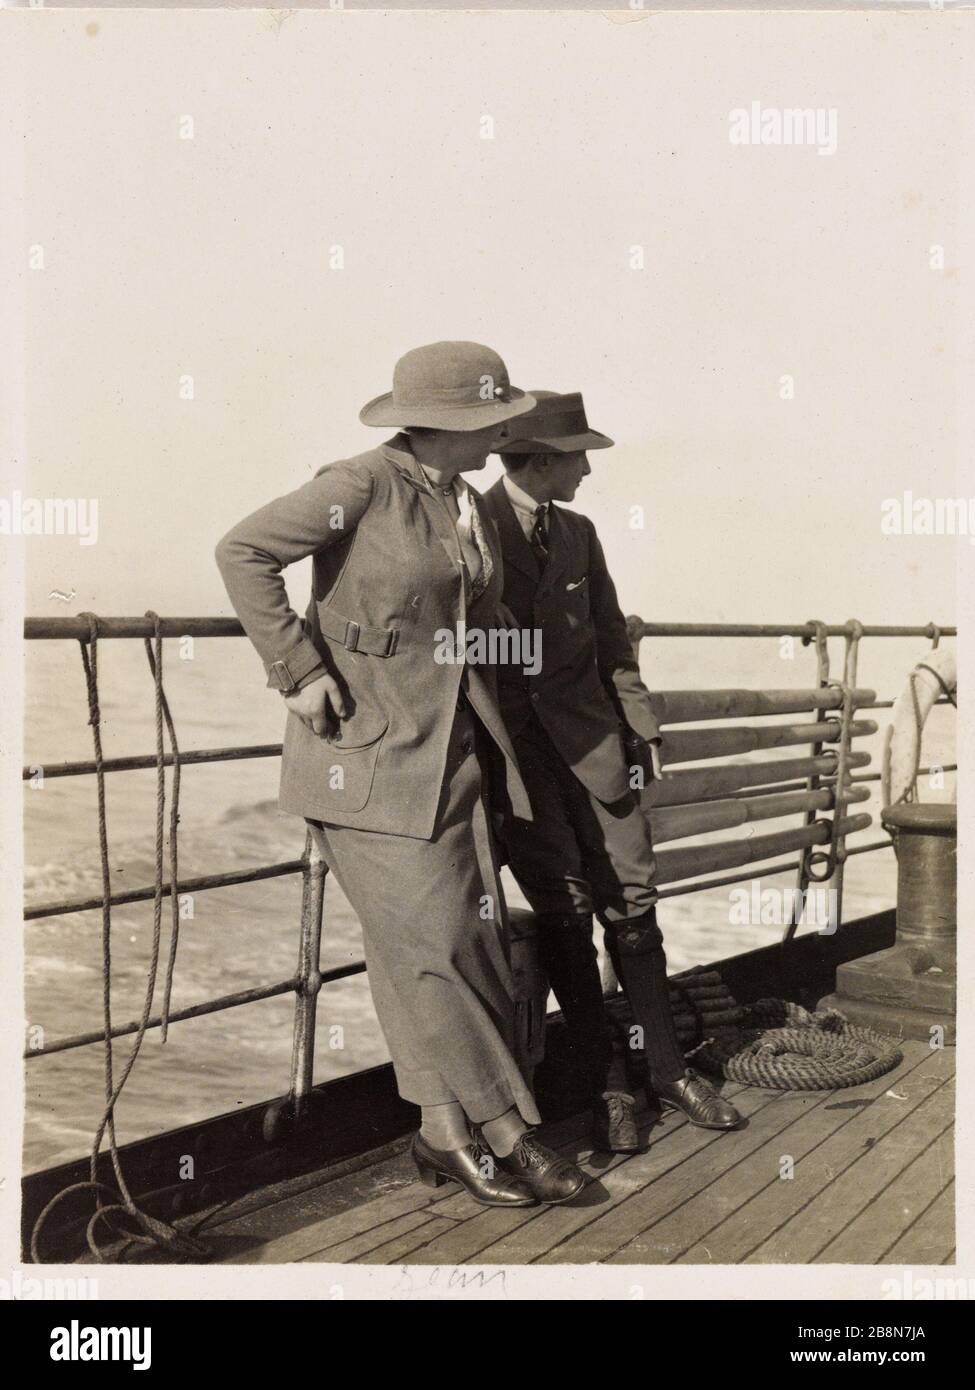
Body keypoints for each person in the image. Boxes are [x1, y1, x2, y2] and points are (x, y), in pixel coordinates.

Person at [215, 344, 585, 1206]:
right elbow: (242, 553)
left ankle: (441, 1132)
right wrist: (298, 670)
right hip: (366, 761)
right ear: (453, 422)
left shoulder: (459, 500)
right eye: (494, 416)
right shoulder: (359, 485)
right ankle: (509, 1131)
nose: (506, 428)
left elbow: (474, 621)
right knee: (443, 948)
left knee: (428, 949)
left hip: (453, 761)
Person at [482, 390, 742, 1152]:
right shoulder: (469, 529)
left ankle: (666, 1071)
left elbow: (609, 639)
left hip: (596, 748)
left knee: (632, 904)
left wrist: (640, 724)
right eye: (577, 456)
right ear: (537, 461)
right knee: (563, 914)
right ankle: (608, 1087)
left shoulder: (579, 534)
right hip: (517, 762)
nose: (588, 470)